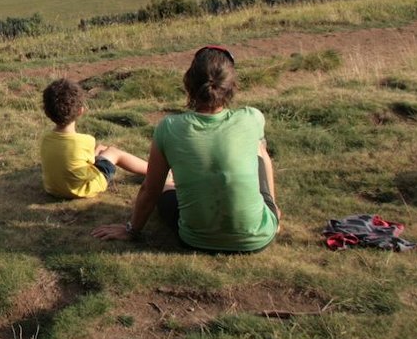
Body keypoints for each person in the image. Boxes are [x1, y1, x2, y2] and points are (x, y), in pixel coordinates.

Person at [93, 45, 280, 253]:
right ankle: (273, 211)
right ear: (231, 86)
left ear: (188, 83)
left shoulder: (169, 127)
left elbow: (150, 190)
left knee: (165, 186)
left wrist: (132, 230)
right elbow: (260, 159)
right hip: (258, 240)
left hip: (194, 240)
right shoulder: (252, 117)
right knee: (259, 148)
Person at [40, 77, 148, 199]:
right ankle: (153, 170)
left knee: (100, 149)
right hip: (81, 189)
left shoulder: (45, 138)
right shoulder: (86, 140)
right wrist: (98, 153)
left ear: (47, 112)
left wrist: (97, 151)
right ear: (81, 111)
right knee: (113, 152)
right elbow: (91, 162)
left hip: (53, 189)